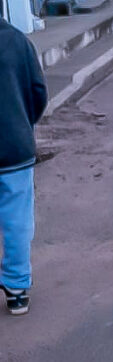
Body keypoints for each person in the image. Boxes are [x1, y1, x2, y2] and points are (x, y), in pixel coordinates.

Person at [0, 17, 47, 315]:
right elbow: (38, 91)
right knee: (17, 221)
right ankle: (17, 290)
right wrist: (22, 123)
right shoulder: (18, 41)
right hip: (15, 149)